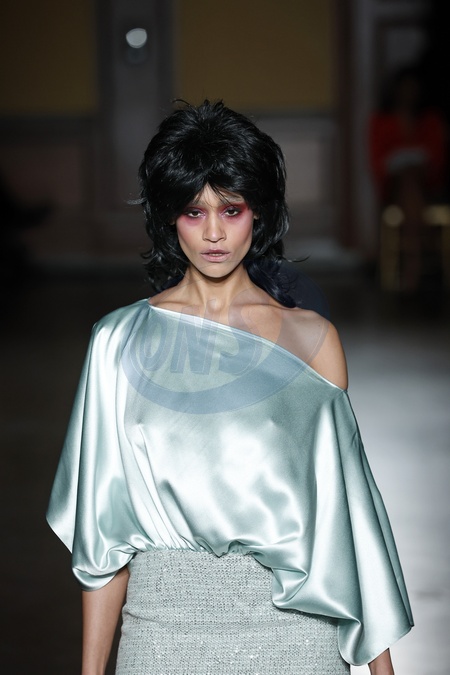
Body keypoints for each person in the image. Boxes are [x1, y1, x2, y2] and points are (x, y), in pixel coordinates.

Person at [47, 100, 413, 674]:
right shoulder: (118, 342)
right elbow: (103, 540)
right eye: (194, 212)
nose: (214, 233)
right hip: (161, 637)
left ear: (258, 213)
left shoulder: (313, 341)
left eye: (232, 209)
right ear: (168, 217)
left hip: (297, 640)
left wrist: (381, 669)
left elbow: (347, 519)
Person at [369, 66, 447, 291]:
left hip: (426, 183)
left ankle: (412, 265)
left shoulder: (430, 120)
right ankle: (425, 248)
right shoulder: (381, 121)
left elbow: (437, 159)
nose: (409, 94)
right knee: (407, 180)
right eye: (404, 89)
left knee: (411, 179)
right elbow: (378, 161)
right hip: (393, 185)